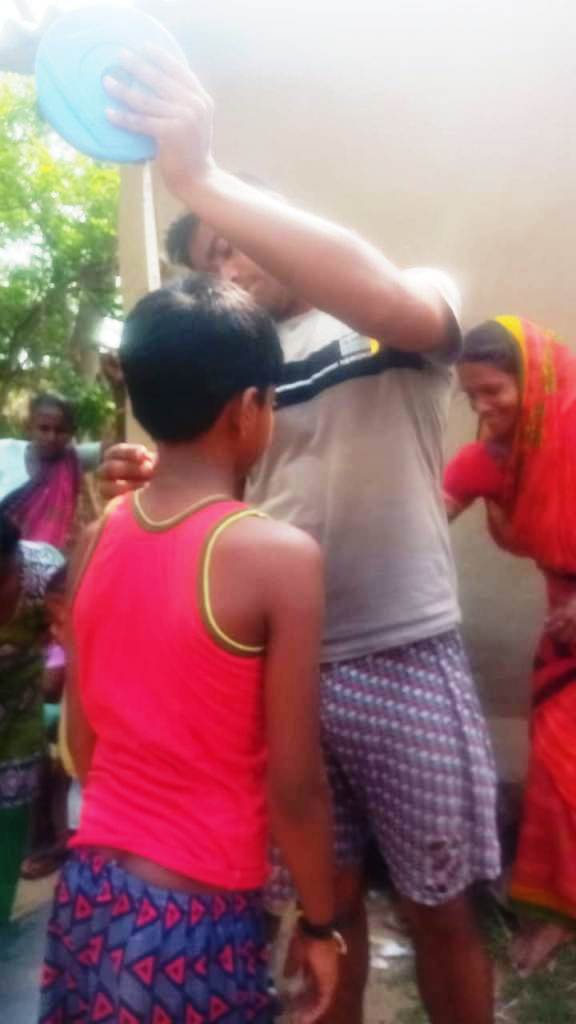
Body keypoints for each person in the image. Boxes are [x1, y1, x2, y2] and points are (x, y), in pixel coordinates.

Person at [98, 49, 501, 1024]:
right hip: (280, 668)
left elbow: (395, 302)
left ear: (275, 224)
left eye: (238, 241)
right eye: (211, 259)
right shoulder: (239, 376)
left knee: (441, 910)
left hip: (403, 651)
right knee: (327, 909)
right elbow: (226, 495)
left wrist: (202, 179)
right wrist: (161, 479)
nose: (229, 265)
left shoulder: (389, 305)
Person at [38, 276, 340, 1024]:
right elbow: (296, 786)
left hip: (90, 897)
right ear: (247, 408)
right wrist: (321, 923)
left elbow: (83, 739)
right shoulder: (281, 560)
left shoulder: (98, 536)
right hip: (194, 920)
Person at [444, 315, 576, 974]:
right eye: (470, 395)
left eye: (493, 391)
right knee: (556, 760)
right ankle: (554, 910)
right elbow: (424, 519)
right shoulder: (492, 458)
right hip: (564, 633)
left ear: (536, 379)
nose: (482, 409)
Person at [0, 511, 64, 924]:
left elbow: (72, 633)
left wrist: (57, 664)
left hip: (21, 704)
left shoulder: (45, 572)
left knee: (10, 814)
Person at [0, 392, 102, 552]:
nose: (51, 437)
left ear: (71, 433)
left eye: (60, 431)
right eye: (43, 428)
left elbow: (115, 447)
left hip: (51, 563)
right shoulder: (5, 451)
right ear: (28, 428)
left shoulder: (72, 459)